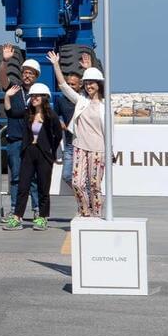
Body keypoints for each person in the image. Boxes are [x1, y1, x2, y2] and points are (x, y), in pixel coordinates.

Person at [49, 51, 106, 218]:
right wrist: (56, 65)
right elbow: (64, 86)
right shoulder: (81, 100)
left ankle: (95, 215)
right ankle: (84, 211)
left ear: (99, 84)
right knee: (77, 183)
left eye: (92, 83)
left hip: (98, 149)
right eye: (86, 83)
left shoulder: (104, 105)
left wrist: (90, 68)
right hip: (79, 147)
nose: (89, 86)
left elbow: (109, 131)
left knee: (95, 185)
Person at [3, 85, 61, 230]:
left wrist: (51, 151)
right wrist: (7, 96)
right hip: (28, 153)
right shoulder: (27, 113)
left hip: (44, 155)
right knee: (23, 186)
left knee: (43, 187)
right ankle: (17, 217)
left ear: (44, 98)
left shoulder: (51, 116)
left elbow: (58, 135)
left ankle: (42, 217)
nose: (34, 98)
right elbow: (10, 113)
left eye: (37, 96)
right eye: (32, 96)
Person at [0, 45, 44, 218]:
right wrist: (4, 61)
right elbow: (2, 78)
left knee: (33, 178)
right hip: (15, 140)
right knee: (16, 177)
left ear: (36, 76)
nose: (27, 75)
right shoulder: (14, 89)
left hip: (33, 141)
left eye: (31, 73)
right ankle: (15, 210)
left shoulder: (40, 93)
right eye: (25, 72)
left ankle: (37, 210)